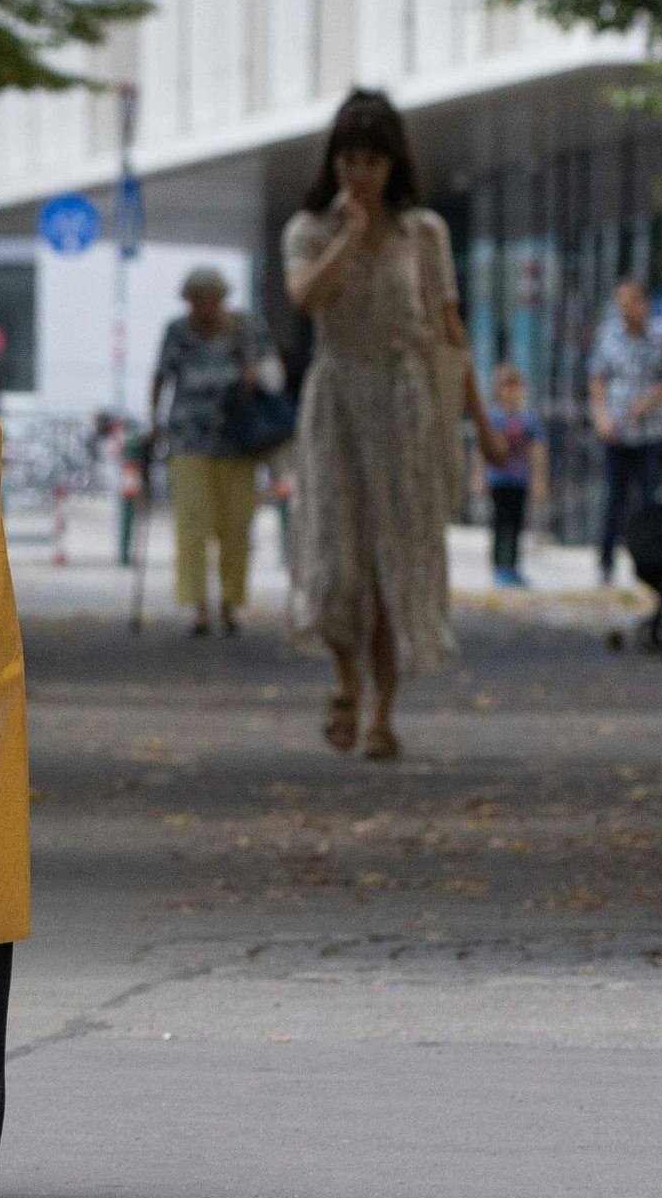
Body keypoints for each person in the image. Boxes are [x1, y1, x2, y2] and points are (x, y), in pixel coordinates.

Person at [281, 89, 499, 760]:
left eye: (373, 160)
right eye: (350, 158)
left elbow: (448, 328)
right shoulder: (309, 228)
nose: (361, 173)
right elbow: (305, 297)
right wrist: (348, 233)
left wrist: (482, 425)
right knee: (338, 557)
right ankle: (346, 681)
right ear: (335, 160)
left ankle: (382, 711)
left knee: (393, 559)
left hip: (405, 402)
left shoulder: (423, 232)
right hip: (337, 399)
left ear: (393, 162)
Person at [147, 264, 275, 635]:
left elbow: (272, 367)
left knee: (237, 527)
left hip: (239, 439)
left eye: (209, 299)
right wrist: (156, 421)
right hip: (188, 439)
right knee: (192, 525)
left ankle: (232, 604)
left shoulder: (248, 328)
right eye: (195, 301)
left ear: (222, 298)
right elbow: (161, 376)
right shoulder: (177, 331)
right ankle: (198, 607)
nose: (202, 307)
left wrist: (256, 375)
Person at [585, 279, 662, 587]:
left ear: (645, 303)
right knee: (614, 499)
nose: (625, 309)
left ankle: (647, 563)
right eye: (621, 303)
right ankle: (606, 562)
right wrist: (601, 417)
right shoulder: (609, 335)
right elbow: (597, 380)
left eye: (631, 302)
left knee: (648, 499)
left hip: (653, 432)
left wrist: (652, 399)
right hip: (618, 432)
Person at [481, 365, 539, 588]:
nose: (512, 391)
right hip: (499, 480)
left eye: (516, 386)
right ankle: (499, 567)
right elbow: (484, 450)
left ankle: (513, 567)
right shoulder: (493, 417)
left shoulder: (528, 419)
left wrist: (538, 480)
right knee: (499, 523)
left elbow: (537, 449)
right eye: (507, 386)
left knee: (517, 524)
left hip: (519, 480)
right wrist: (479, 477)